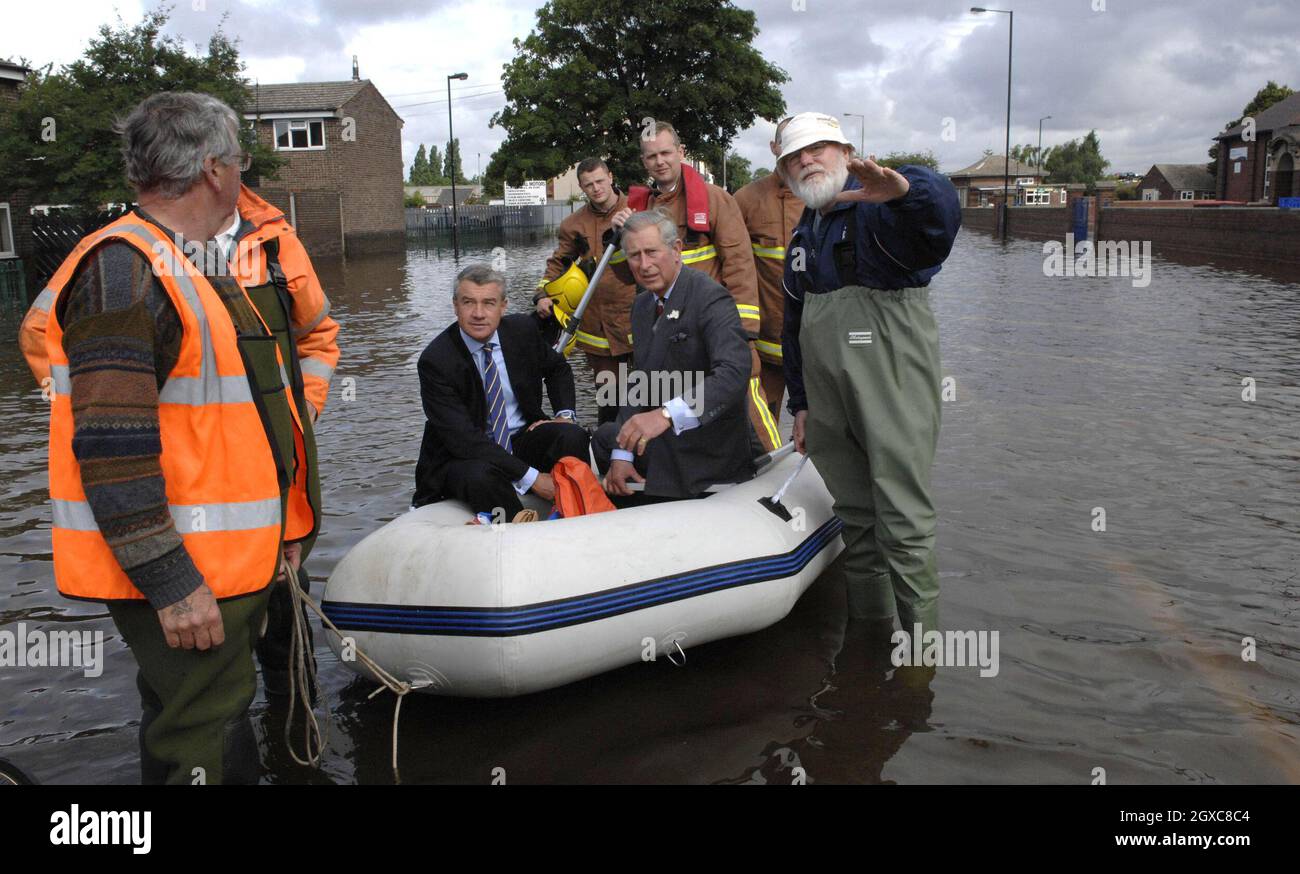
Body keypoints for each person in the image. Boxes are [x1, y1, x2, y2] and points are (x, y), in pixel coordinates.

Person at [33, 91, 317, 783]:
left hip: (218, 563)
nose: (243, 183)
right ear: (216, 171)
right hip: (188, 571)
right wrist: (171, 583)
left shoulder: (174, 262)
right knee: (204, 729)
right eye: (241, 165)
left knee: (195, 715)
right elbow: (109, 445)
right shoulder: (127, 270)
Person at [21, 182, 339, 701]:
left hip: (277, 509)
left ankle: (295, 749)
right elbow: (45, 341)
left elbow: (319, 336)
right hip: (185, 527)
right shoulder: (121, 258)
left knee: (289, 652)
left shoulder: (277, 242)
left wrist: (297, 414)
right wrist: (142, 415)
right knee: (199, 706)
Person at [780, 112, 961, 636]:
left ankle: (920, 664)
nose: (806, 160)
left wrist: (906, 190)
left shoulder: (882, 211)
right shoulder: (804, 235)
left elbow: (938, 214)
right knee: (856, 520)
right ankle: (871, 640)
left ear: (846, 151)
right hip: (827, 396)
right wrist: (802, 404)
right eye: (794, 156)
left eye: (817, 148)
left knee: (903, 523)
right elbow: (794, 326)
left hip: (891, 380)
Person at [632, 121, 783, 453]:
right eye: (652, 156)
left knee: (744, 390)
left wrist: (743, 330)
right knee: (682, 400)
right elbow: (636, 277)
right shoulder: (641, 211)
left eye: (666, 153)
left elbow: (739, 263)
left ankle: (775, 463)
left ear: (681, 153)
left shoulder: (714, 200)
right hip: (672, 330)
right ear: (644, 162)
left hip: (716, 323)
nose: (660, 161)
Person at [592, 211, 753, 501]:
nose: (644, 265)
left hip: (707, 438)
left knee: (642, 446)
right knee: (605, 437)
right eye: (634, 256)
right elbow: (641, 380)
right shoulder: (642, 306)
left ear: (676, 249)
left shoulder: (710, 298)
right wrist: (622, 452)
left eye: (652, 252)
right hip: (667, 436)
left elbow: (734, 373)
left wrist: (667, 414)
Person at [413, 263, 589, 520]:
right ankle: (520, 528)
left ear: (503, 306)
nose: (478, 313)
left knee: (571, 435)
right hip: (465, 454)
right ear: (455, 306)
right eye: (468, 302)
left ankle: (575, 515)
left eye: (489, 303)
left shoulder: (522, 331)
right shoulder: (436, 361)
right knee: (479, 476)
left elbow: (557, 369)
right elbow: (464, 440)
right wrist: (533, 478)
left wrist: (565, 415)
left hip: (520, 437)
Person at [534, 157, 637, 424]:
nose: (596, 188)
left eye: (600, 181)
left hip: (636, 318)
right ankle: (608, 452)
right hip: (597, 326)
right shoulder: (573, 224)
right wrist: (542, 294)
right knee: (609, 399)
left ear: (611, 177)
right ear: (582, 187)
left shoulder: (637, 210)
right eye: (589, 184)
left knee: (647, 393)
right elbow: (558, 262)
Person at [733, 116, 804, 422]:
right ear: (774, 147)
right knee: (761, 427)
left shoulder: (828, 196)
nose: (797, 153)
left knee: (823, 432)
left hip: (815, 345)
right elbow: (730, 267)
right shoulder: (745, 200)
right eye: (787, 143)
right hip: (765, 345)